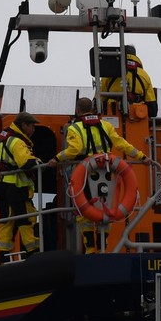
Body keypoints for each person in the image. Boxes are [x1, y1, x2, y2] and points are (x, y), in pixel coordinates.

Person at [59, 98, 145, 253]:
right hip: (105, 175)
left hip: (83, 176)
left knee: (83, 213)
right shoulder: (106, 125)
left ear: (78, 110)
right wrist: (142, 157)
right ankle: (102, 246)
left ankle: (91, 249)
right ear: (92, 109)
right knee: (104, 211)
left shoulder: (74, 128)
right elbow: (121, 144)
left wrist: (57, 158)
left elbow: (74, 150)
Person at [0, 111, 41, 262]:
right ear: (24, 125)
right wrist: (39, 162)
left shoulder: (0, 139)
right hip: (16, 187)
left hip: (0, 187)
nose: (34, 129)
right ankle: (32, 251)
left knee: (6, 219)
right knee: (26, 217)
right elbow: (25, 163)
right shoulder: (17, 142)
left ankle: (2, 255)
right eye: (32, 126)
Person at [99, 45, 156, 117]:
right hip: (138, 117)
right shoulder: (144, 75)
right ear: (135, 55)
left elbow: (98, 100)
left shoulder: (108, 73)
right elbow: (152, 108)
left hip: (112, 116)